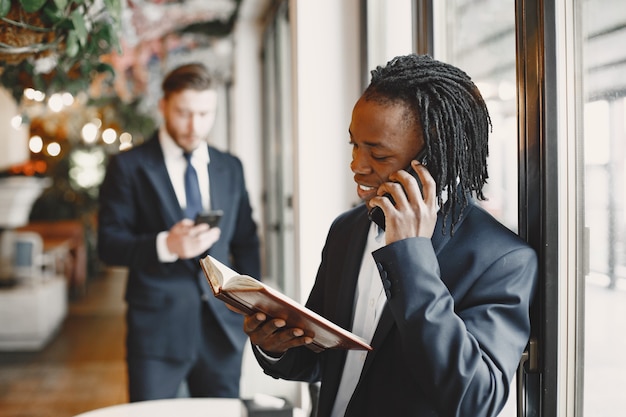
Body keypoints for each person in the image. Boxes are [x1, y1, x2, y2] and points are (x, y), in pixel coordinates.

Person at [241, 54, 538, 417]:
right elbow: (323, 359)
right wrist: (276, 346)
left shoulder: (502, 259)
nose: (356, 166)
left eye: (378, 155)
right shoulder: (347, 230)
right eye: (354, 145)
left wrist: (412, 259)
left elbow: (475, 400)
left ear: (434, 160)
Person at [97, 63, 261, 402]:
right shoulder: (129, 166)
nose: (194, 125)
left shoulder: (230, 166)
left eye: (205, 113)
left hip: (222, 331)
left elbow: (246, 239)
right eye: (184, 113)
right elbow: (108, 244)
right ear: (164, 106)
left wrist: (248, 305)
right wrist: (165, 245)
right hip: (156, 330)